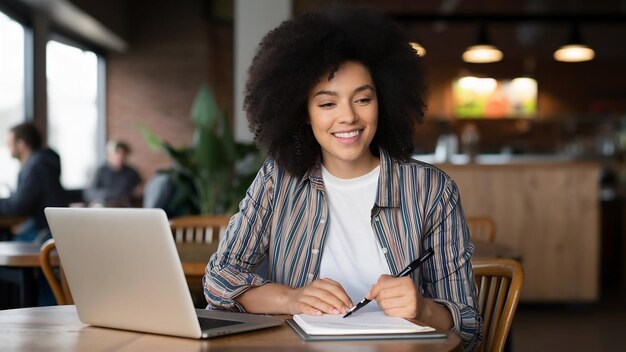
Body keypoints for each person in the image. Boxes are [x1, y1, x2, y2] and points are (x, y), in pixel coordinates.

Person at [203, 6, 481, 351]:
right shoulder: (279, 178)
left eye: (362, 99)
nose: (348, 117)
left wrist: (423, 309)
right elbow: (218, 280)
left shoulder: (431, 191)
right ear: (302, 113)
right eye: (326, 104)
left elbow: (468, 326)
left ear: (384, 101)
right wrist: (292, 299)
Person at [0, 122, 68, 242]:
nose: (6, 146)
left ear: (21, 144)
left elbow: (18, 205)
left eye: (9, 143)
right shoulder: (42, 162)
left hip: (45, 232)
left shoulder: (36, 167)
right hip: (51, 228)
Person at [84, 140, 142, 207]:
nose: (120, 157)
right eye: (117, 153)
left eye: (123, 154)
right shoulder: (100, 171)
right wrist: (107, 195)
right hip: (103, 204)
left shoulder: (132, 172)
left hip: (123, 206)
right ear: (109, 155)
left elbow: (138, 192)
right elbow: (90, 192)